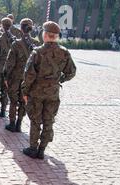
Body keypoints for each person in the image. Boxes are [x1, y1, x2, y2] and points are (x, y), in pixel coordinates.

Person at [22, 21, 76, 159]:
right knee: (48, 120)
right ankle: (42, 149)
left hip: (37, 92)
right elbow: (71, 72)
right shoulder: (64, 53)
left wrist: (25, 91)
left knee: (35, 120)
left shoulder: (37, 52)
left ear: (44, 35)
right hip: (53, 92)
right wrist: (59, 80)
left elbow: (29, 75)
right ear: (56, 36)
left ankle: (33, 148)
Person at [3, 18, 40, 133]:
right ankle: (19, 124)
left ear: (20, 29)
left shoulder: (16, 44)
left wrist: (5, 77)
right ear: (31, 28)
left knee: (13, 101)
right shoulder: (37, 44)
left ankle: (12, 123)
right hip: (29, 79)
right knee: (23, 101)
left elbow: (10, 63)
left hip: (15, 77)